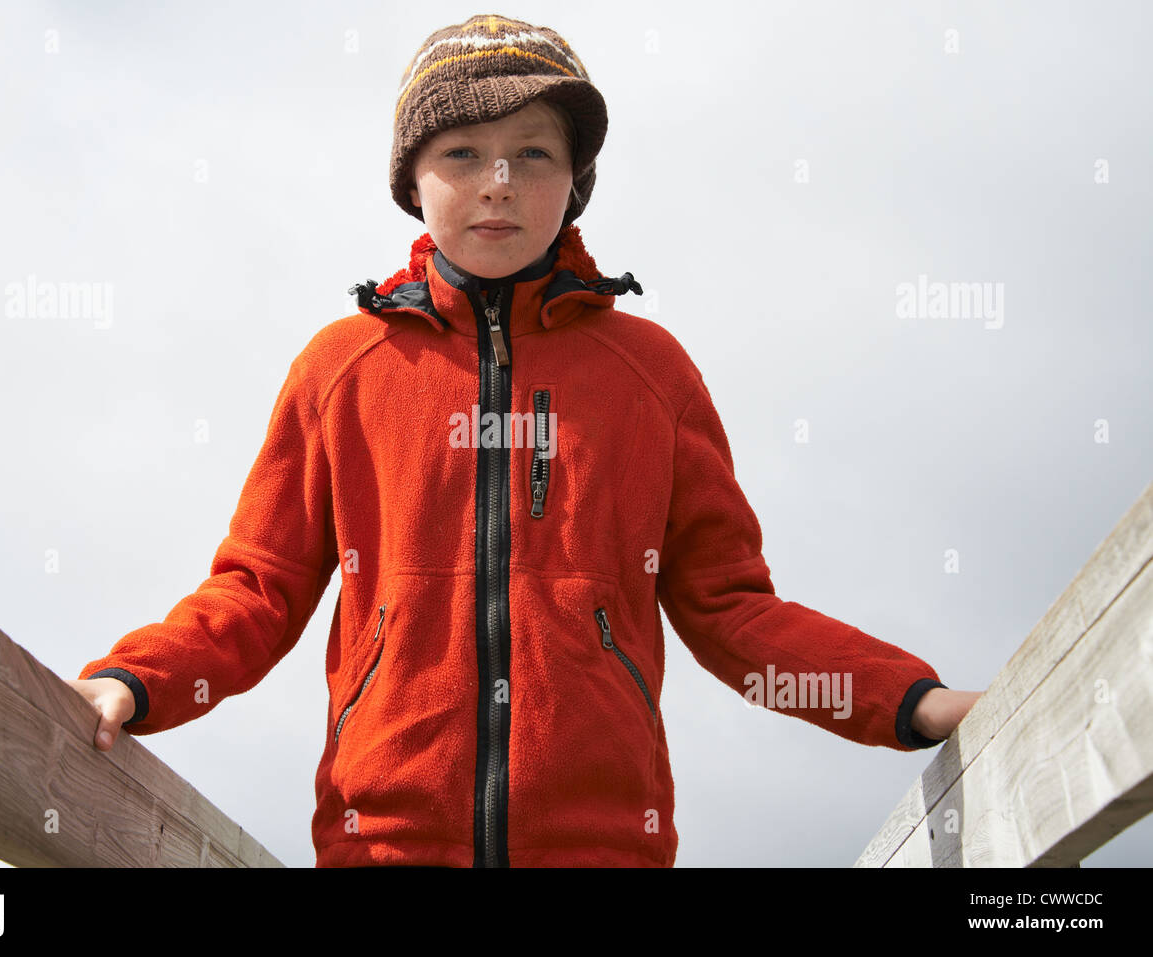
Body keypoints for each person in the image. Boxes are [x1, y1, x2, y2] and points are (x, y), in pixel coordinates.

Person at [66, 13, 982, 868]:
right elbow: (257, 590)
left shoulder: (652, 374)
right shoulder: (342, 368)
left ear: (575, 179)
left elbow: (732, 610)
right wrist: (131, 682)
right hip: (380, 847)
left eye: (533, 153)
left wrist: (911, 701)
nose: (499, 182)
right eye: (463, 152)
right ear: (411, 178)